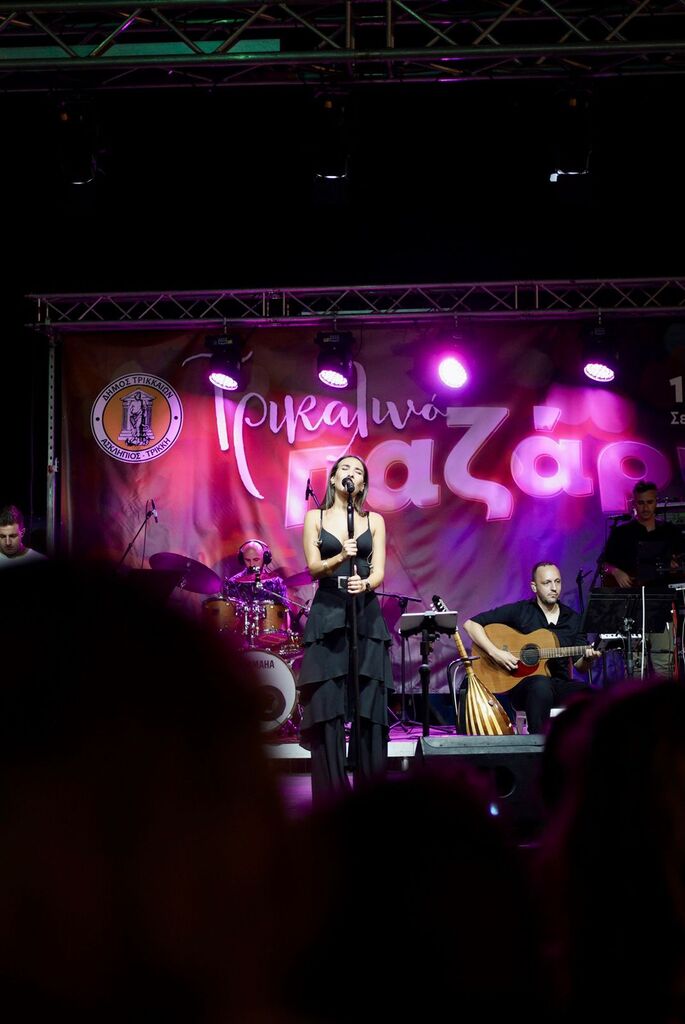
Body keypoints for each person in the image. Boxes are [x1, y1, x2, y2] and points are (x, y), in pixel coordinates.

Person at [298, 454, 393, 803]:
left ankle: (371, 795)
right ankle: (332, 796)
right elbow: (312, 567)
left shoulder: (374, 520)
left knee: (369, 700)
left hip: (364, 612)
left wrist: (366, 583)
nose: (351, 473)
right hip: (328, 612)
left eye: (358, 471)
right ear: (334, 478)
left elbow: (379, 570)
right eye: (345, 468)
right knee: (328, 703)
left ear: (363, 483)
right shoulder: (316, 517)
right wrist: (340, 557)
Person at [463, 562, 600, 734]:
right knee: (540, 685)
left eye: (557, 582)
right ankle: (537, 744)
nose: (554, 588)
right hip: (525, 688)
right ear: (534, 587)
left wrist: (588, 658)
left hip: (560, 685)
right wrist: (496, 653)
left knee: (593, 694)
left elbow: (580, 666)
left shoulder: (573, 619)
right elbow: (471, 624)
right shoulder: (521, 611)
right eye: (547, 583)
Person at [601, 480, 684, 676]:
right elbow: (604, 563)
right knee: (636, 664)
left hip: (660, 602)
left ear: (656, 502)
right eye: (641, 503)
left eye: (649, 502)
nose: (645, 507)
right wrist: (616, 571)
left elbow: (679, 563)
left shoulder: (668, 531)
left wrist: (674, 565)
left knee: (664, 662)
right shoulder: (622, 532)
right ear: (634, 504)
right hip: (632, 604)